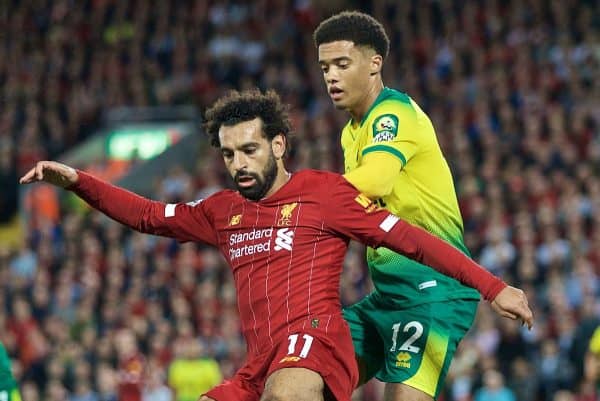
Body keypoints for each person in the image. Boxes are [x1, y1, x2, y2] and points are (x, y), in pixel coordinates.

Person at [20, 89, 532, 401]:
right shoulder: (221, 211)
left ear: (278, 144)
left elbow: (412, 240)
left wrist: (493, 287)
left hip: (315, 342)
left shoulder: (328, 194)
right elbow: (150, 216)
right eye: (228, 154)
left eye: (249, 150)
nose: (239, 164)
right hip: (259, 362)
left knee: (288, 391)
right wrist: (77, 181)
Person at [313, 11, 517, 401]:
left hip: (435, 292)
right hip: (386, 296)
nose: (331, 77)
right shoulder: (349, 133)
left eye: (342, 64)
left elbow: (375, 180)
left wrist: (302, 196)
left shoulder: (394, 113)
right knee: (305, 383)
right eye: (325, 67)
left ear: (374, 64)